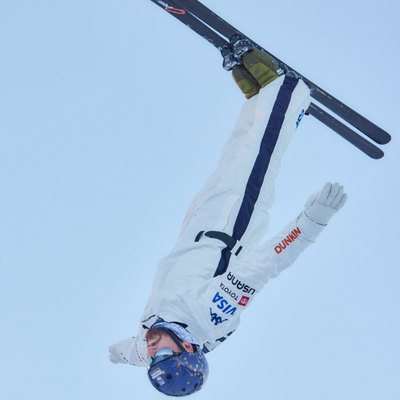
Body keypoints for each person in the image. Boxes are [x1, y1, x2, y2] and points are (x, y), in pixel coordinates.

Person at [108, 36, 348, 397]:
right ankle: (286, 89)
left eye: (153, 360)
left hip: (197, 223)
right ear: (188, 348)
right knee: (260, 155)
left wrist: (121, 355)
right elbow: (265, 265)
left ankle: (258, 100)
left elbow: (136, 352)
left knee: (236, 153)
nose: (153, 352)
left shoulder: (149, 343)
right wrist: (311, 224)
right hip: (233, 224)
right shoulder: (210, 316)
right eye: (164, 356)